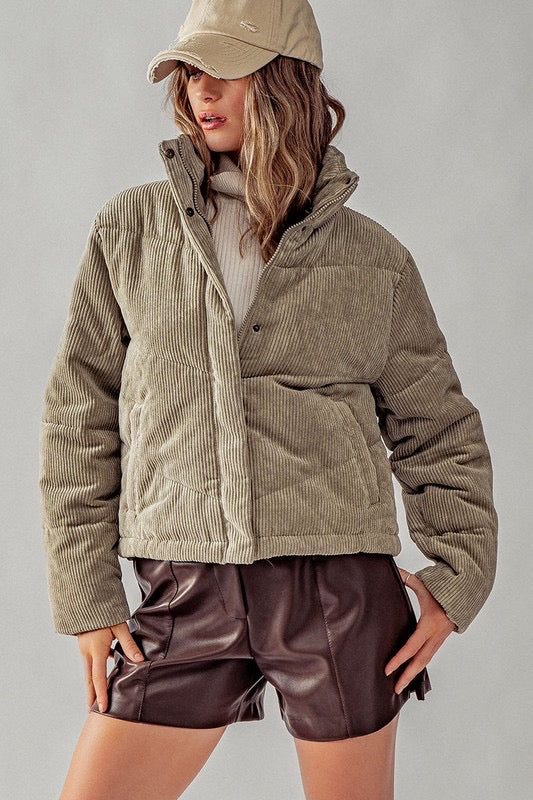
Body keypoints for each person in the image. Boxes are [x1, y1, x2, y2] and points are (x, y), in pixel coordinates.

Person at [38, 1, 498, 798]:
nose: (200, 89)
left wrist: (458, 578)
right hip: (184, 587)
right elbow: (80, 417)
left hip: (337, 595)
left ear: (286, 81)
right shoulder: (130, 232)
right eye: (189, 71)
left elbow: (438, 429)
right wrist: (86, 591)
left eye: (224, 69)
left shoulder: (373, 260)